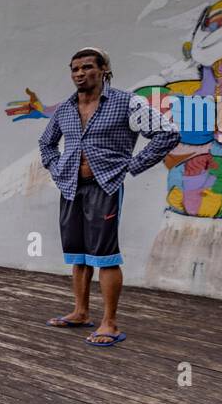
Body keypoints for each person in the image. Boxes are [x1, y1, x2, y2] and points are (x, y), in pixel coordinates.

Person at [37, 47, 179, 346]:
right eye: (74, 69)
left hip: (105, 186)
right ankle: (80, 312)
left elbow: (167, 132)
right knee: (78, 255)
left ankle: (109, 323)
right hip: (71, 187)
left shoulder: (127, 102)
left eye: (87, 67)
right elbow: (46, 142)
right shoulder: (66, 108)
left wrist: (133, 165)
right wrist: (56, 167)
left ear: (104, 70)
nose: (79, 74)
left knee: (105, 256)